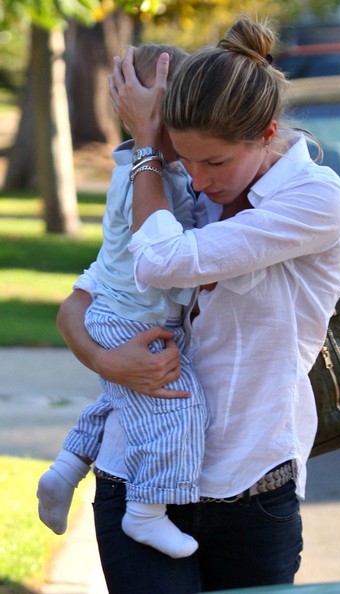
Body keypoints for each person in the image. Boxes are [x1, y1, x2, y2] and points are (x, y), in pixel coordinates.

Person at [56, 15, 340, 594]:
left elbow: (158, 262)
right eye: (184, 159)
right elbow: (85, 294)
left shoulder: (315, 200)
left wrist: (146, 149)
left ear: (267, 132)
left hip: (250, 487)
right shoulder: (172, 182)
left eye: (214, 163)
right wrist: (104, 361)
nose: (196, 180)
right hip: (136, 472)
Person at [36, 43, 209, 560]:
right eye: (177, 117)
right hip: (133, 318)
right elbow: (161, 262)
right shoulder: (146, 177)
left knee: (118, 399)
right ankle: (147, 511)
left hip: (118, 313)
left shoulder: (148, 171)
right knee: (182, 407)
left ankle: (64, 470)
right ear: (147, 117)